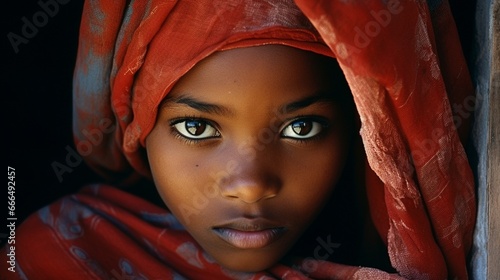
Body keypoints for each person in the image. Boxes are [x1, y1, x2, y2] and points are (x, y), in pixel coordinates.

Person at [1, 0, 476, 279]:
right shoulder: (54, 258)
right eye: (197, 128)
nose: (250, 185)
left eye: (301, 128)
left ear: (367, 131)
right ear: (138, 131)